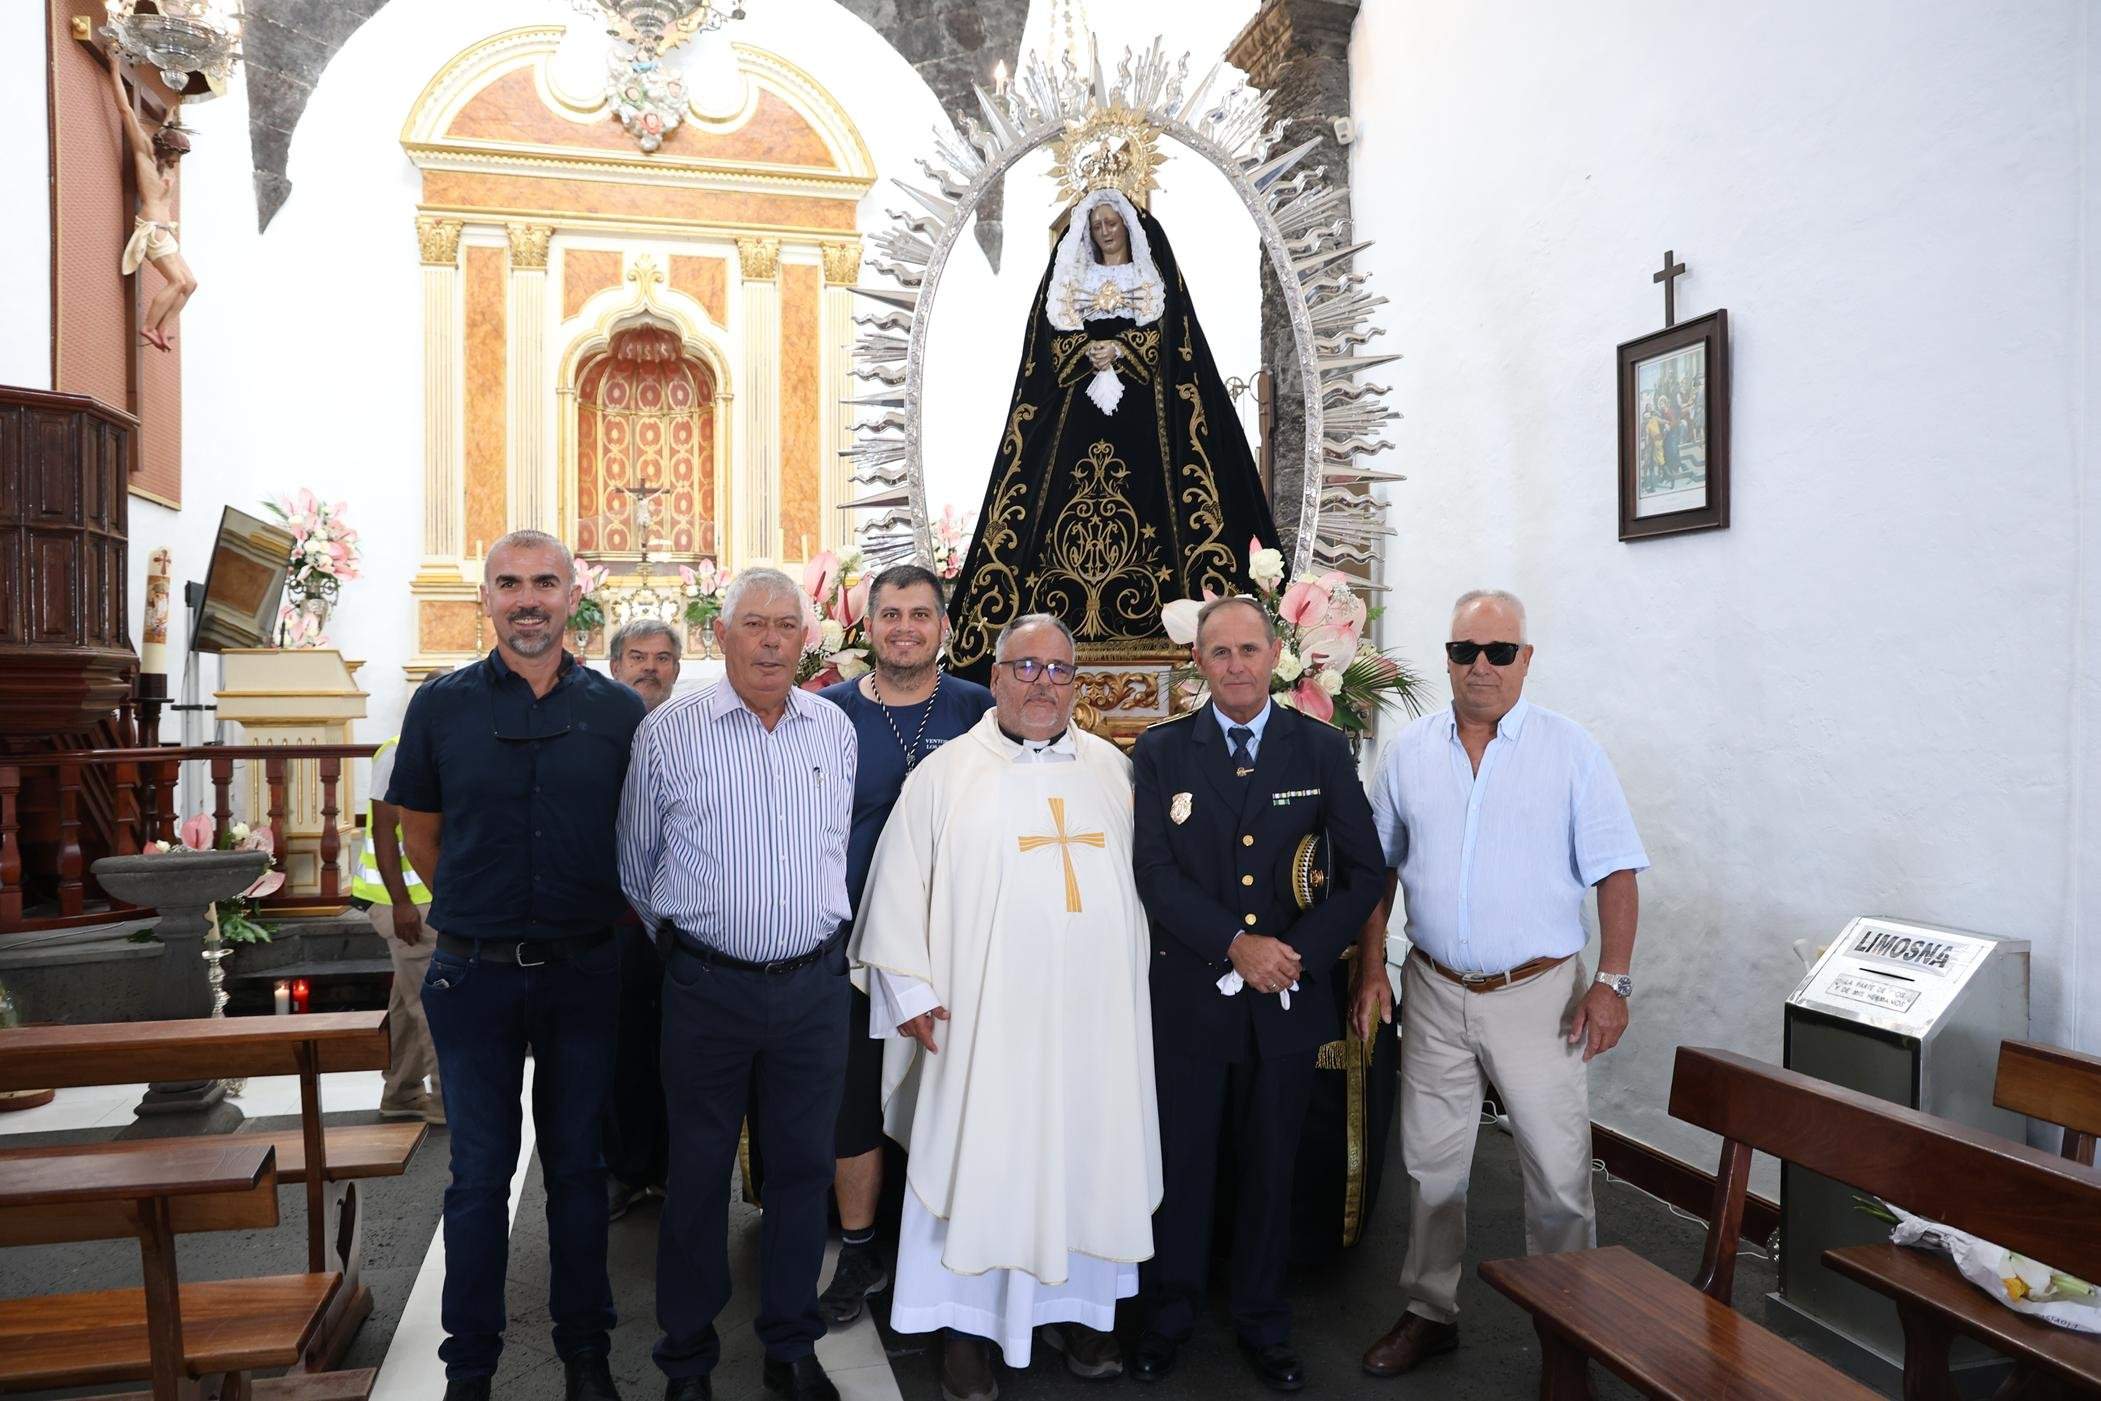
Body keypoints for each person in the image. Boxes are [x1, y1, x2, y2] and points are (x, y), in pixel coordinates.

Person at [851, 614, 1160, 1401]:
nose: (1041, 684)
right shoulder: (947, 774)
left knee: (1091, 1154)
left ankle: (1086, 1311)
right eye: (1025, 667)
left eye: (1058, 670)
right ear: (993, 677)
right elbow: (895, 889)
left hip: (1093, 1025)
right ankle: (966, 1330)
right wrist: (911, 992)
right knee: (981, 1158)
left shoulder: (1112, 772)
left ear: (1075, 683)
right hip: (982, 1029)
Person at [1351, 589, 1648, 1378]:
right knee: (1430, 1166)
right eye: (1463, 650)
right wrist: (1370, 962)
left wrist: (1611, 982)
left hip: (1540, 996)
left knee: (1555, 1172)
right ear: (1447, 656)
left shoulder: (1570, 751)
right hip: (1436, 989)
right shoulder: (1409, 751)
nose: (1479, 666)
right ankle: (1428, 1309)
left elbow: (1616, 872)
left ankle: (1566, 1330)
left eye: (1498, 651)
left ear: (1525, 658)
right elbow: (1376, 870)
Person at [388, 530, 646, 1401]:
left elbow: (639, 833)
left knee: (578, 1171)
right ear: (486, 600)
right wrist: (478, 904)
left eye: (544, 582)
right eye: (509, 583)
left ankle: (585, 1352)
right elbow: (418, 828)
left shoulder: (618, 711)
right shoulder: (442, 706)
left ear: (574, 597)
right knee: (476, 1175)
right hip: (476, 974)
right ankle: (471, 1366)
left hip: (581, 971)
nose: (527, 598)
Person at [1128, 596, 1383, 1393]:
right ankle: (1168, 1313)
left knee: (1272, 1161)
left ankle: (1262, 1319)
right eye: (1219, 652)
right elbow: (1153, 871)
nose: (1235, 665)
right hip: (1190, 998)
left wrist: (1297, 954)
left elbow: (1364, 869)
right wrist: (1234, 942)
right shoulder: (1163, 751)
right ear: (1197, 662)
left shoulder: (1319, 748)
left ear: (1276, 655)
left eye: (1248, 649)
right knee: (1186, 1158)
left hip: (1284, 999)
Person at [617, 567, 857, 1401]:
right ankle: (687, 1356)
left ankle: (791, 1342)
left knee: (799, 1173)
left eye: (785, 625)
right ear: (719, 636)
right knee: (696, 1174)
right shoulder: (669, 733)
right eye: (752, 624)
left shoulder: (834, 730)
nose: (768, 640)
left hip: (814, 990)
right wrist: (701, 954)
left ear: (805, 638)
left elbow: (834, 856)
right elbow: (636, 868)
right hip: (708, 991)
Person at [944, 188, 1283, 681]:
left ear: (1128, 227)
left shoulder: (1153, 276)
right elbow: (1044, 345)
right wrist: (1085, 350)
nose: (1104, 230)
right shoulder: (1067, 279)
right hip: (1075, 417)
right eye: (1096, 223)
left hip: (1147, 422)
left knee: (1162, 505)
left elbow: (1175, 340)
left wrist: (1124, 349)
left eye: (1112, 222)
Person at [813, 565, 994, 1327]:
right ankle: (860, 1246)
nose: (905, 628)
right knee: (853, 1103)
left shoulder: (980, 707)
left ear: (944, 626)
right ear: (868, 625)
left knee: (950, 1094)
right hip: (852, 944)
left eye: (921, 614)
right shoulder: (824, 713)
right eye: (890, 614)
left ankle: (944, 1240)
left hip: (957, 944)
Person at [604, 619, 684, 1220]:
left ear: (677, 670)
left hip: (681, 926)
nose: (649, 668)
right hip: (613, 923)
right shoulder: (596, 727)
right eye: (637, 657)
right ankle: (623, 1171)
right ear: (615, 666)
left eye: (661, 658)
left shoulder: (693, 732)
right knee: (618, 1055)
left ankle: (671, 1169)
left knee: (678, 1056)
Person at [353, 731, 444, 1125]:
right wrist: (402, 903)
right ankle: (448, 1100)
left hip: (424, 896)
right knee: (436, 1004)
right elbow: (384, 830)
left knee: (408, 1005)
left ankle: (401, 1093)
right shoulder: (398, 751)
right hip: (407, 901)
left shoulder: (443, 743)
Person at [100, 58, 196, 351]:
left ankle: (161, 328)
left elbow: (167, 126)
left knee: (190, 284)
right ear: (165, 149)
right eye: (175, 155)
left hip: (165, 230)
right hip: (152, 229)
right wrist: (115, 68)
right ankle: (147, 326)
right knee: (177, 283)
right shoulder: (145, 156)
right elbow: (126, 111)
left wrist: (173, 107)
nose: (177, 162)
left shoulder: (167, 165)